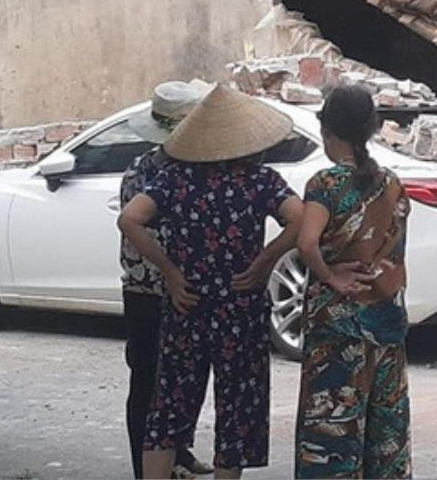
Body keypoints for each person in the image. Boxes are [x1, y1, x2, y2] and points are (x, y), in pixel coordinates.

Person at [118, 83, 304, 480]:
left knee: (168, 407)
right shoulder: (261, 182)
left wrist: (170, 271)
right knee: (236, 408)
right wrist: (266, 259)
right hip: (240, 307)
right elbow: (301, 218)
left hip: (187, 304)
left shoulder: (176, 179)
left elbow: (129, 219)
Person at [295, 85, 411, 479]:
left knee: (332, 434)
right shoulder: (391, 182)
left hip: (337, 329)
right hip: (386, 324)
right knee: (386, 434)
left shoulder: (325, 184)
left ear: (328, 132)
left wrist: (329, 275)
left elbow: (307, 241)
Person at [120, 81, 213, 480]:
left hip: (180, 289)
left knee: (187, 377)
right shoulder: (149, 173)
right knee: (148, 380)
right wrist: (173, 273)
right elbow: (135, 229)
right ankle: (148, 466)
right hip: (151, 290)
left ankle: (177, 452)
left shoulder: (177, 169)